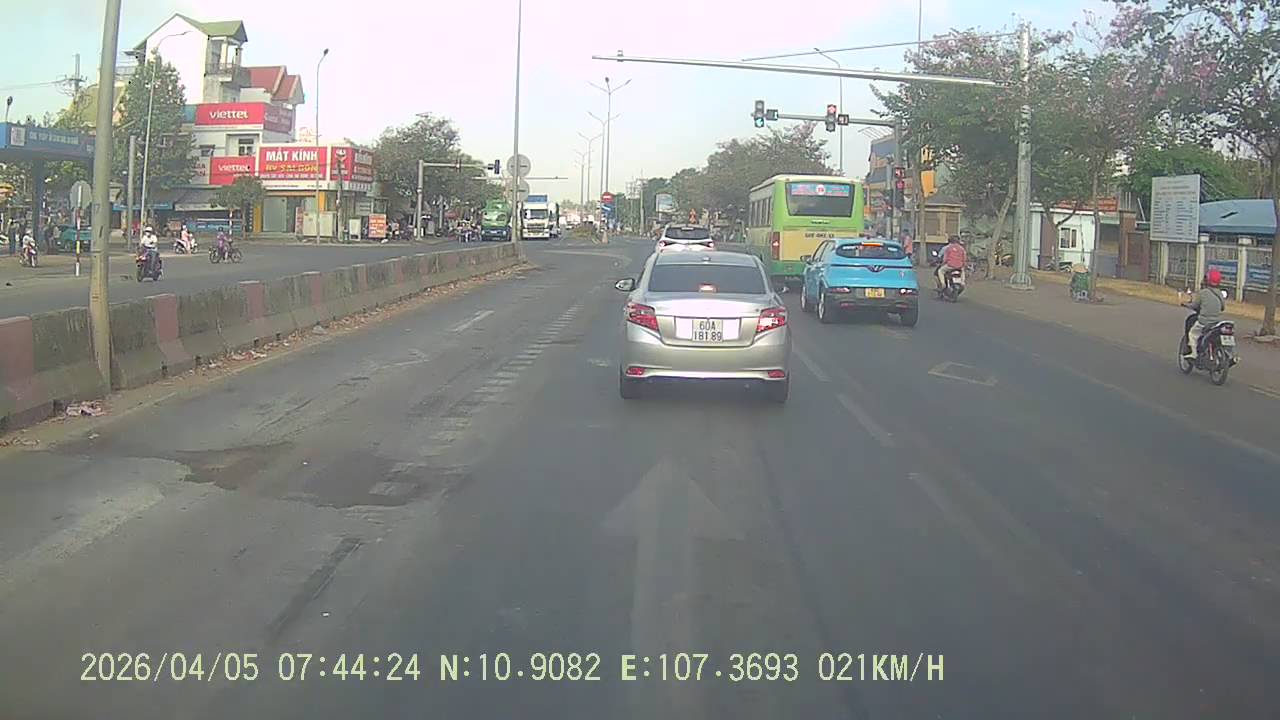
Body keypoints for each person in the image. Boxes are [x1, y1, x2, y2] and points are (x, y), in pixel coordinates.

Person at [1183, 269, 1226, 360]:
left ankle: (1194, 353)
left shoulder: (1202, 293)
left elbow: (1195, 305)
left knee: (1192, 333)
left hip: (1204, 321)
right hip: (1216, 322)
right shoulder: (1220, 293)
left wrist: (1186, 304)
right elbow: (1223, 307)